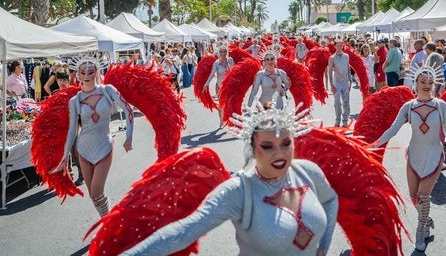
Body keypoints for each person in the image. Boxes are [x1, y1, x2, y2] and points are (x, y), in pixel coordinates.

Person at [122, 99, 339, 256]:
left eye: (285, 144)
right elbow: (183, 232)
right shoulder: (239, 191)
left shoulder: (307, 172)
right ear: (253, 149)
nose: (280, 154)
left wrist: (323, 247)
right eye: (267, 146)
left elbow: (330, 200)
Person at [372, 64, 446, 252]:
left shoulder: (440, 106)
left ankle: (420, 231)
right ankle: (427, 220)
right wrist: (374, 144)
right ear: (415, 82)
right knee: (414, 197)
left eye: (430, 82)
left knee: (423, 197)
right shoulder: (408, 106)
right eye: (423, 81)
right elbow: (393, 129)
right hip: (413, 156)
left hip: (434, 155)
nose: (427, 85)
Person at [49, 58, 134, 217]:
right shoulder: (75, 100)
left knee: (96, 191)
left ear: (97, 72)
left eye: (91, 72)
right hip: (82, 150)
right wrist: (65, 157)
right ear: (78, 75)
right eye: (83, 72)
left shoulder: (108, 90)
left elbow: (128, 111)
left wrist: (129, 137)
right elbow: (72, 130)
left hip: (104, 146)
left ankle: (108, 226)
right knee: (93, 196)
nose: (87, 75)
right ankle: (108, 220)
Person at [204, 46, 235, 124]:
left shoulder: (230, 60)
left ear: (226, 52)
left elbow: (234, 71)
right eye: (221, 52)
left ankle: (228, 118)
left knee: (229, 103)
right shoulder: (216, 63)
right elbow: (212, 74)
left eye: (224, 51)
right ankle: (221, 118)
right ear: (219, 53)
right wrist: (206, 83)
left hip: (229, 85)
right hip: (219, 86)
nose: (223, 53)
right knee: (221, 104)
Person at [328, 39, 351, 127]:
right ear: (335, 46)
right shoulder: (332, 58)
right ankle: (338, 120)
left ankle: (345, 121)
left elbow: (348, 68)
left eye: (341, 45)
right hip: (336, 82)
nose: (339, 47)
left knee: (346, 101)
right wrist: (331, 85)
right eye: (338, 45)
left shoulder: (346, 56)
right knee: (337, 102)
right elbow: (330, 71)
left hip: (345, 81)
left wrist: (350, 81)